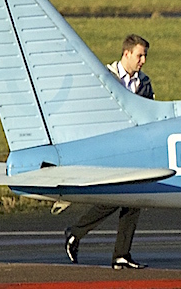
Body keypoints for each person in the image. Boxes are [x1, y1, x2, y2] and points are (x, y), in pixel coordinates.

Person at [65, 34, 154, 269]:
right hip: (110, 149)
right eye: (139, 55)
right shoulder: (105, 78)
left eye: (145, 55)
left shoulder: (144, 83)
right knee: (114, 197)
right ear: (126, 54)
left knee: (134, 199)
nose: (143, 60)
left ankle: (121, 254)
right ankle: (75, 232)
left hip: (134, 150)